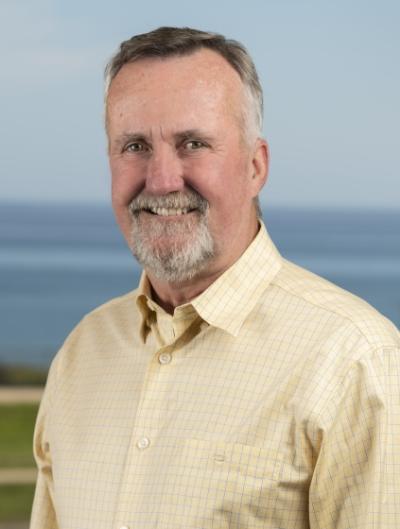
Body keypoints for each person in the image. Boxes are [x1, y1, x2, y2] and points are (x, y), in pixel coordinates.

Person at [30, 27, 400, 529]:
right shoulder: (82, 353)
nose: (161, 180)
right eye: (135, 145)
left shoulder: (356, 361)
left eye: (193, 143)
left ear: (255, 166)